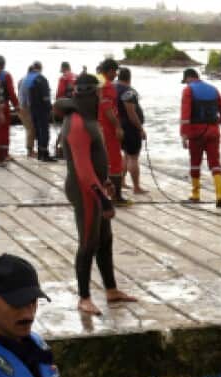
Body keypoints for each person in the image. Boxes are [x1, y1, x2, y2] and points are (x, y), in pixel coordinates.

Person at [56, 73, 138, 316]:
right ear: (90, 94)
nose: (103, 97)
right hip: (84, 191)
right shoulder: (78, 123)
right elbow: (82, 170)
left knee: (105, 239)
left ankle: (111, 289)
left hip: (95, 186)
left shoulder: (89, 118)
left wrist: (106, 184)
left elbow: (94, 162)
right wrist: (103, 199)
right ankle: (84, 297)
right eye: (99, 93)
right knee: (88, 242)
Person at [180, 68, 221, 206]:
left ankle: (195, 195)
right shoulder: (213, 89)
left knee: (195, 163)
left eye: (186, 81)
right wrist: (220, 124)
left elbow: (185, 115)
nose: (186, 84)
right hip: (213, 132)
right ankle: (220, 195)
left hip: (196, 133)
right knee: (215, 163)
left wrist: (184, 135)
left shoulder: (188, 90)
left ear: (188, 78)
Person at [97, 59, 126, 205]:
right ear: (109, 71)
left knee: (102, 161)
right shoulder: (107, 86)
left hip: (96, 126)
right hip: (107, 128)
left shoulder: (97, 81)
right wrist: (118, 127)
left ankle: (102, 194)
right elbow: (108, 110)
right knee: (115, 162)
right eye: (115, 72)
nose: (116, 75)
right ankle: (116, 197)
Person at [115, 67, 147, 195]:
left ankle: (122, 181)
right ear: (129, 77)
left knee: (126, 155)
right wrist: (140, 128)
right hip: (129, 127)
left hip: (117, 125)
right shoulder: (129, 92)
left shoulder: (113, 88)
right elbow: (131, 113)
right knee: (133, 157)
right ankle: (137, 187)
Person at [24, 61, 54, 163]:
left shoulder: (27, 78)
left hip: (32, 109)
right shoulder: (41, 78)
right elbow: (45, 96)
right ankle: (44, 154)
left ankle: (39, 153)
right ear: (40, 68)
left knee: (37, 130)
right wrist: (49, 107)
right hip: (42, 109)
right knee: (44, 131)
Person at [17, 64, 37, 158]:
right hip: (26, 108)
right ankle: (30, 151)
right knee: (31, 129)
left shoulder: (22, 80)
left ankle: (30, 150)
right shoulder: (30, 81)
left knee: (29, 129)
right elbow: (29, 97)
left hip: (21, 107)